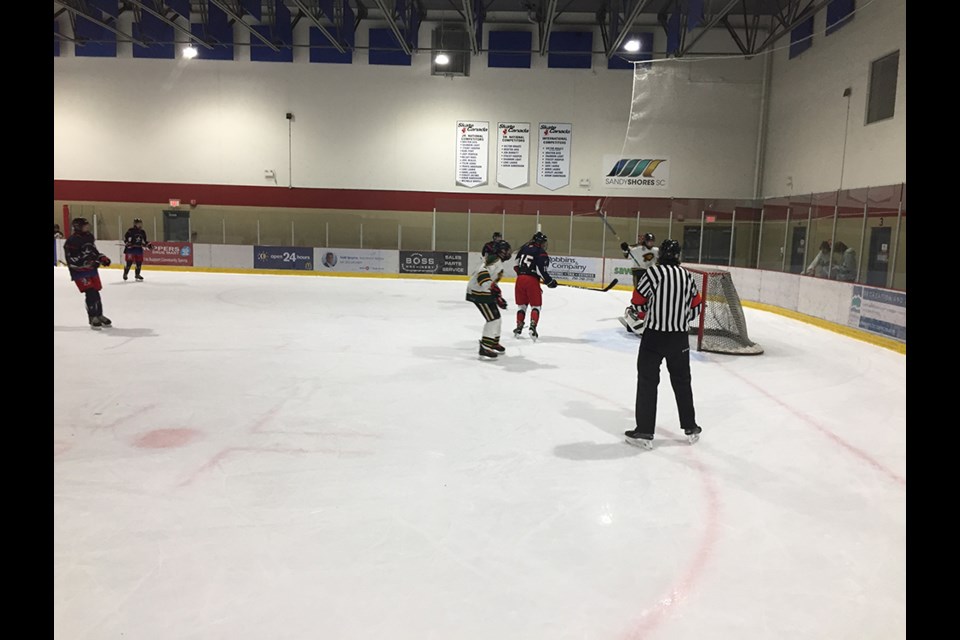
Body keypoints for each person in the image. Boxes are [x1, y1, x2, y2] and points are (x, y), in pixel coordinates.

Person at [624, 239, 703, 450]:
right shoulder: (687, 276)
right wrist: (681, 318)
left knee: (648, 382)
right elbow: (696, 307)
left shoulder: (653, 274)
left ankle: (644, 431)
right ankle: (690, 426)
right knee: (682, 382)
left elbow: (637, 300)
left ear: (661, 256)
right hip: (679, 338)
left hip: (654, 337)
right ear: (678, 256)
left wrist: (644, 314)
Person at [63, 217, 112, 329]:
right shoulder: (71, 241)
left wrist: (101, 258)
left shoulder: (89, 237)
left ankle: (99, 314)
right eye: (85, 225)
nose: (87, 227)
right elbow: (73, 259)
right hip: (79, 271)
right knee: (90, 292)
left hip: (91, 269)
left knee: (96, 291)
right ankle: (92, 317)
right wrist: (90, 262)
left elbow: (93, 251)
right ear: (77, 227)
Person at [466, 240, 512, 358]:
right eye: (506, 250)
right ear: (500, 252)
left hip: (483, 291)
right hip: (478, 292)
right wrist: (490, 285)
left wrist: (497, 295)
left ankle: (493, 342)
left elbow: (491, 281)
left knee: (497, 318)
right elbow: (482, 272)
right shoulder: (493, 261)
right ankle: (485, 347)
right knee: (493, 319)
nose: (508, 253)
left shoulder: (496, 261)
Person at [512, 231, 557, 340]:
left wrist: (522, 274)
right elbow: (540, 270)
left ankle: (519, 327)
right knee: (536, 306)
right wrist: (549, 281)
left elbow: (515, 264)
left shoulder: (524, 248)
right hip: (531, 281)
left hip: (520, 280)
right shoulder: (541, 252)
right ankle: (532, 327)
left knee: (522, 306)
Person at [620, 232, 659, 334]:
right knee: (639, 291)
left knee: (651, 292)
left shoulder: (656, 250)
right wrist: (624, 248)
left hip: (650, 272)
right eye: (648, 241)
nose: (650, 243)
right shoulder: (637, 249)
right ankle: (636, 309)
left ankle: (647, 309)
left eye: (652, 241)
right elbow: (627, 254)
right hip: (638, 271)